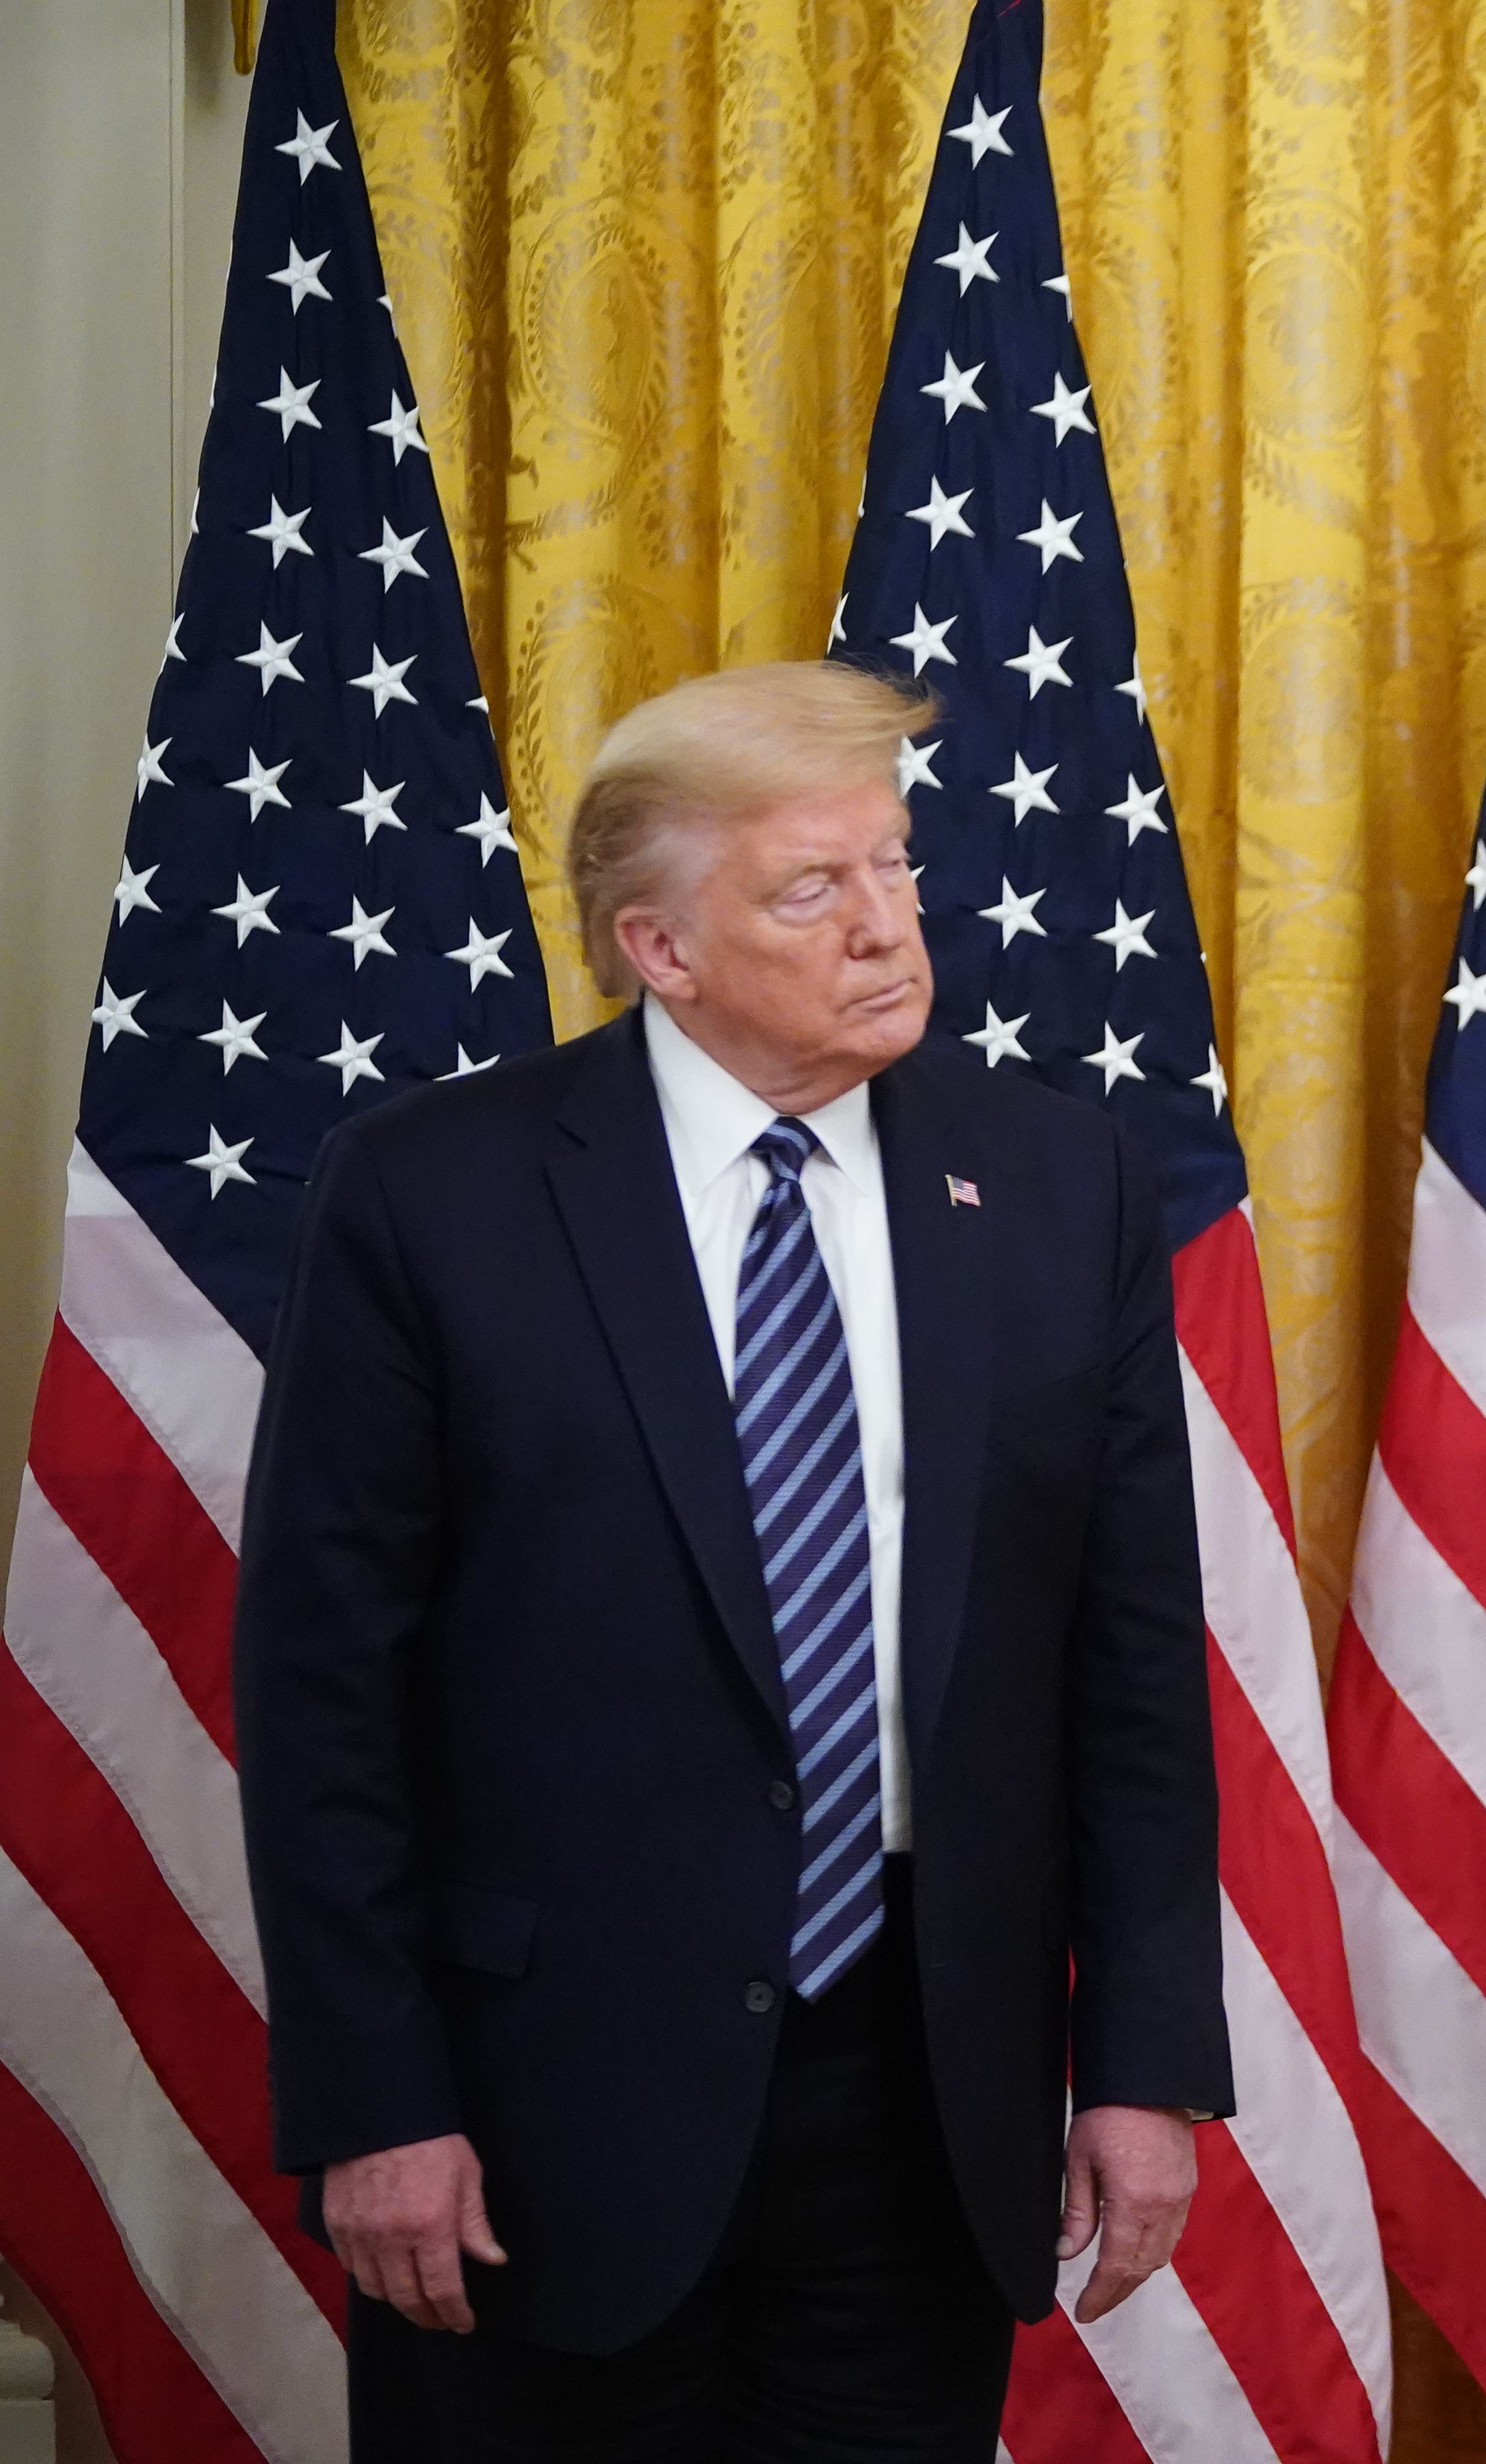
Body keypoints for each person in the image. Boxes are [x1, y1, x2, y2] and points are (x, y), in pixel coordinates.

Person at [233, 662, 1236, 2457]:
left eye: (897, 867)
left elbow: (1132, 1662)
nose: (887, 928)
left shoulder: (1058, 1181)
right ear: (661, 951)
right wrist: (374, 2096)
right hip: (537, 2112)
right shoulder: (432, 1191)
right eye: (811, 890)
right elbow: (324, 1694)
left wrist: (1147, 2064)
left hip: (923, 2097)